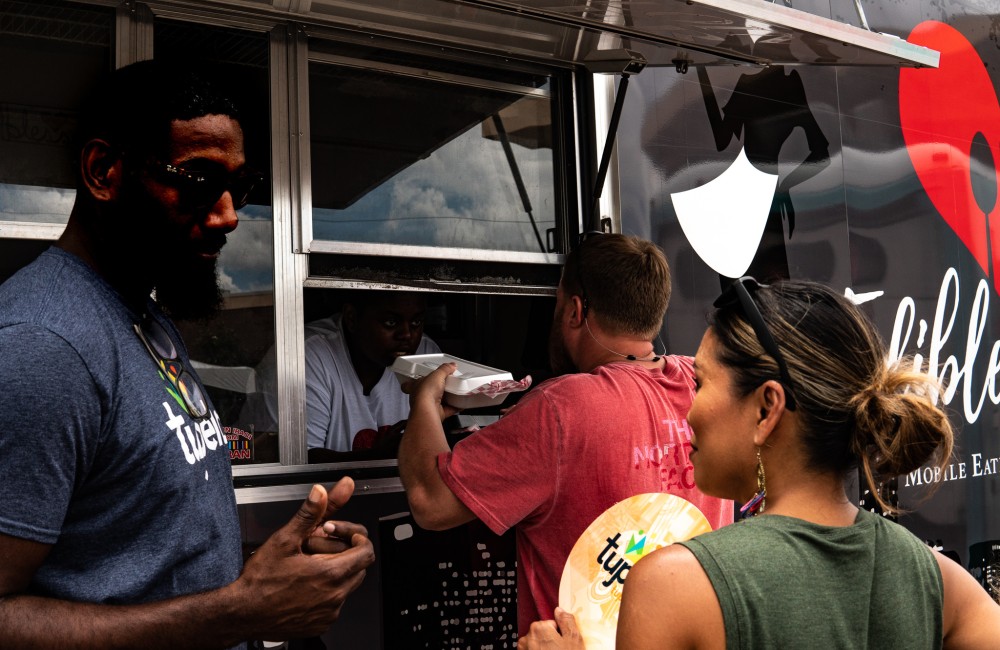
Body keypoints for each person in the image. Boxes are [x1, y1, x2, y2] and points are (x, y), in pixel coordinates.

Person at [0, 59, 374, 649]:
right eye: (198, 180)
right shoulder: (43, 345)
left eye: (240, 187)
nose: (227, 214)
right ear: (104, 171)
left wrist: (269, 577)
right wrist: (239, 612)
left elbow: (145, 547)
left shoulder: (144, 317)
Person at [520, 277, 1000, 649]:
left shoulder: (672, 584)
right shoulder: (938, 581)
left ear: (767, 409)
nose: (688, 408)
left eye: (702, 384)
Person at [399, 232, 734, 637]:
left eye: (556, 306)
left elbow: (430, 502)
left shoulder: (561, 409)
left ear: (575, 311)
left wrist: (424, 402)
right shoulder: (707, 382)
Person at [248, 290, 441, 461]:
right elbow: (300, 462)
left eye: (416, 322)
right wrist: (384, 457)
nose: (407, 334)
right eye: (390, 322)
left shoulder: (426, 354)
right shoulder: (308, 353)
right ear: (352, 318)